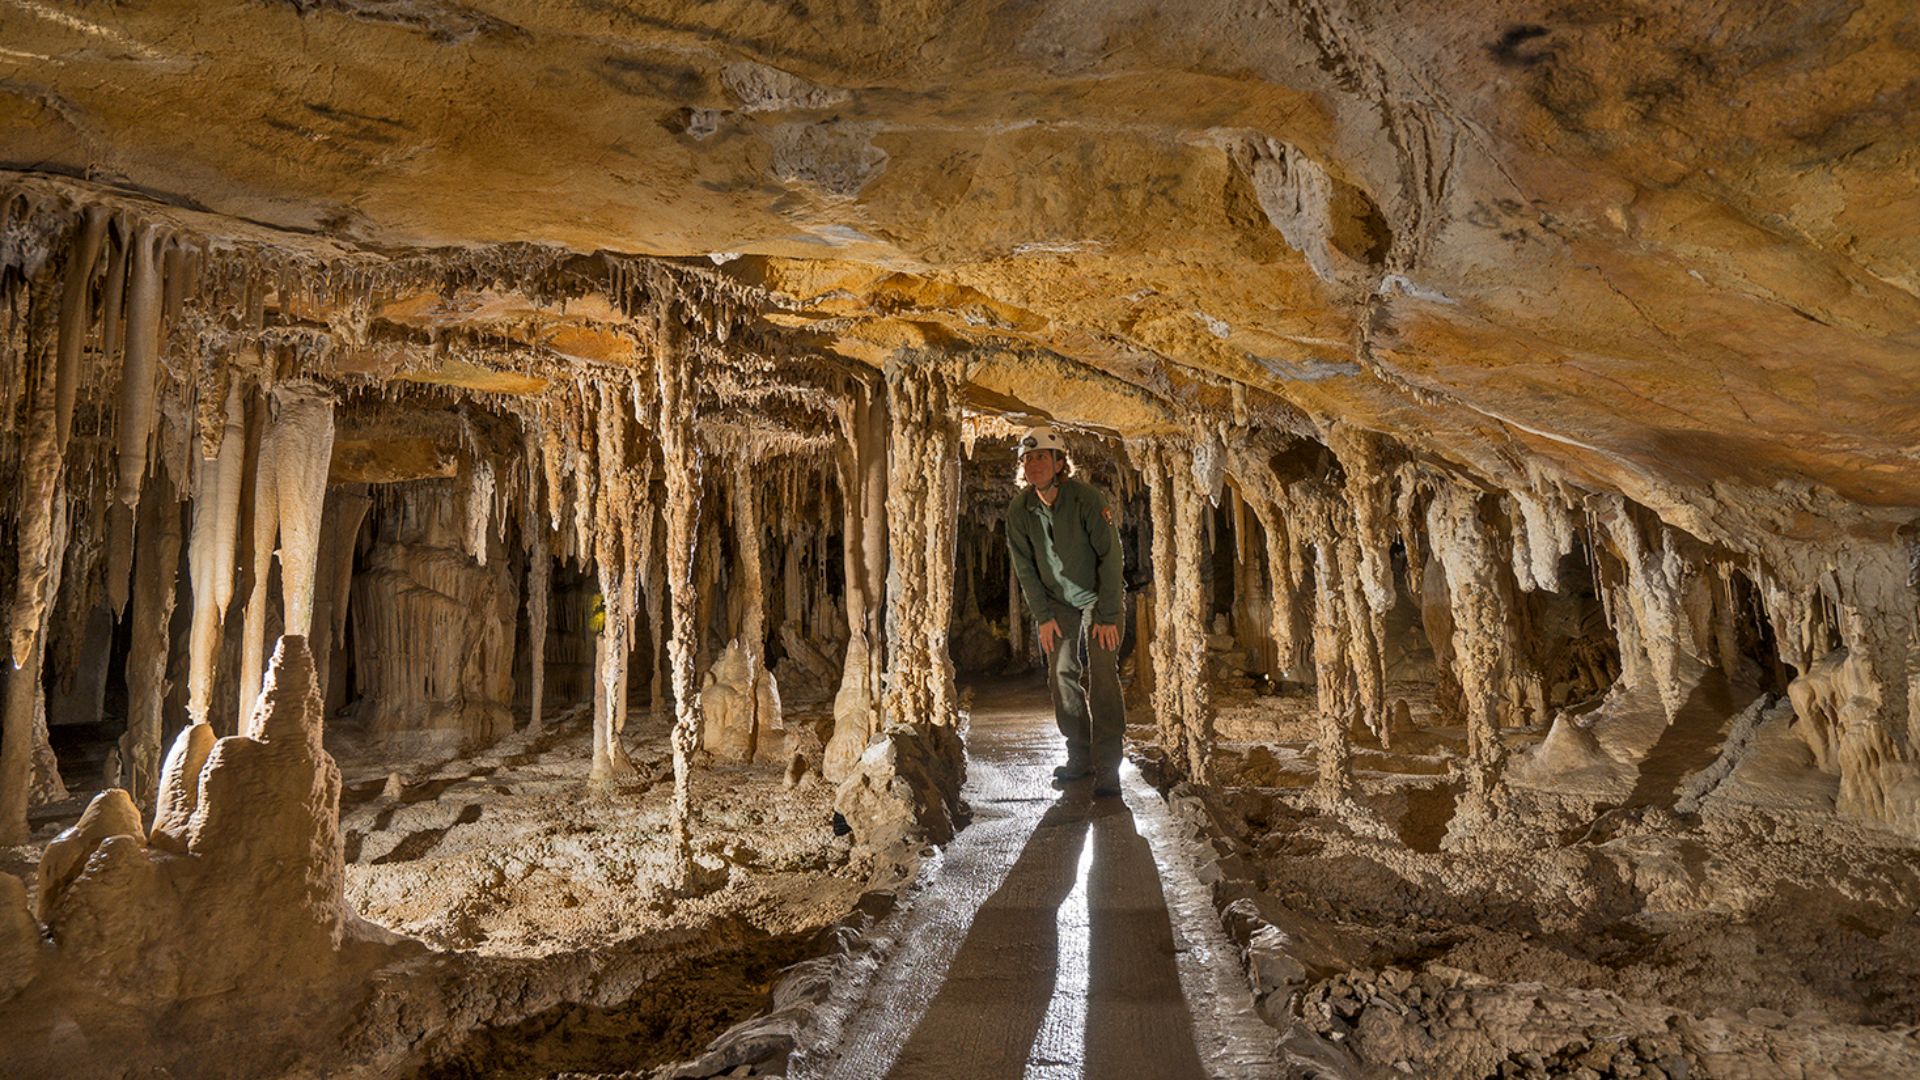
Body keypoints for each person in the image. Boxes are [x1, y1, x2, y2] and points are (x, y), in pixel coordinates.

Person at [1005, 426, 1128, 796]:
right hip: (1058, 604)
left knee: (1103, 672)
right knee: (1060, 673)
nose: (1034, 464)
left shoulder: (1086, 499)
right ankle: (1080, 755)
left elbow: (1111, 557)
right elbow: (1025, 568)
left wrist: (1106, 615)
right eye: (1028, 459)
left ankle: (1108, 765)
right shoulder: (1020, 509)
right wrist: (1043, 616)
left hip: (1097, 597)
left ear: (1060, 463)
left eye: (1042, 456)